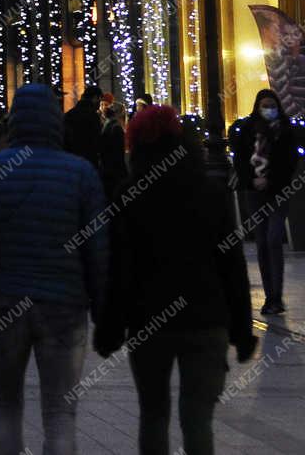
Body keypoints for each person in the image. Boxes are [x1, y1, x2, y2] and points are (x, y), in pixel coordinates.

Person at [0, 82, 108, 455]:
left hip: (5, 301)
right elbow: (99, 246)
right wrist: (100, 302)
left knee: (6, 404)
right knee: (60, 409)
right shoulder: (80, 173)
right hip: (65, 305)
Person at [96, 104, 257, 452]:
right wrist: (242, 330)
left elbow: (119, 267)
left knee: (153, 414)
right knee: (198, 419)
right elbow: (232, 265)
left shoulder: (129, 193)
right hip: (206, 320)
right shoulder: (210, 192)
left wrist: (109, 327)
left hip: (149, 321)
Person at [229, 87, 300, 314]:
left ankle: (276, 296)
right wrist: (252, 180)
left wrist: (270, 180)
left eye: (272, 106)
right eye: (265, 106)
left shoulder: (286, 130)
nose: (269, 110)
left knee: (273, 239)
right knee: (261, 242)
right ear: (258, 107)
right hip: (255, 192)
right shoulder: (248, 129)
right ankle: (270, 297)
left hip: (278, 191)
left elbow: (289, 162)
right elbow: (240, 159)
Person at [64, 83, 103, 167]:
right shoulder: (93, 116)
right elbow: (97, 141)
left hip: (71, 161)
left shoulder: (69, 114)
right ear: (95, 98)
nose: (100, 104)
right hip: (89, 162)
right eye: (100, 100)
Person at [99, 101, 127, 199]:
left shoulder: (108, 125)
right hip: (113, 169)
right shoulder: (116, 127)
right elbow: (118, 152)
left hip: (107, 167)